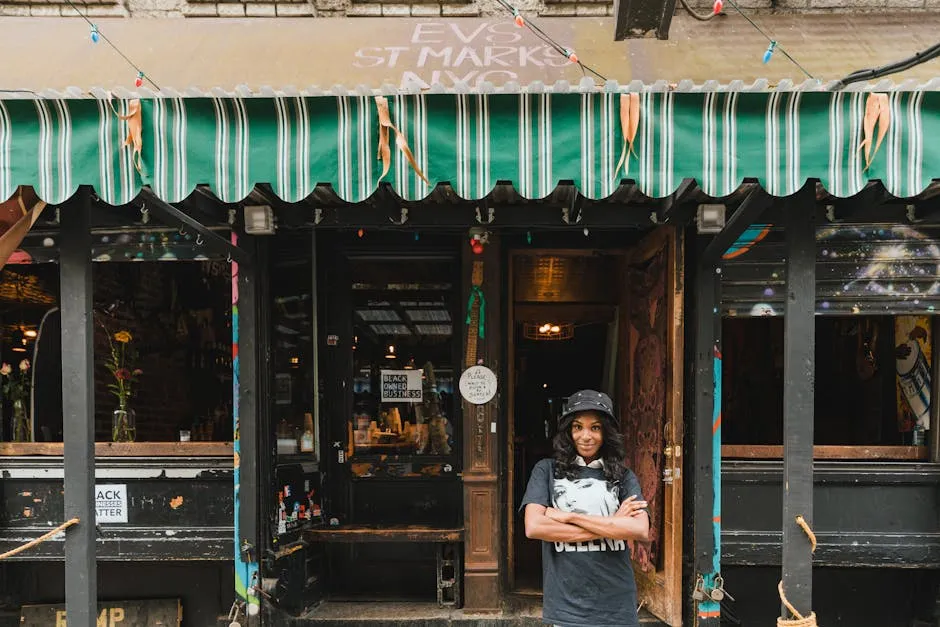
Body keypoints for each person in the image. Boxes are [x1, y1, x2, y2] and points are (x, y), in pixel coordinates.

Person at [520, 389, 649, 627]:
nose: (586, 436)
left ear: (606, 432)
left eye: (595, 428)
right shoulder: (546, 470)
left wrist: (567, 517)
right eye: (578, 427)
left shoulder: (623, 476)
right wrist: (614, 524)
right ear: (568, 432)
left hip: (616, 603)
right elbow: (535, 527)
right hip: (567, 605)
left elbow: (640, 529)